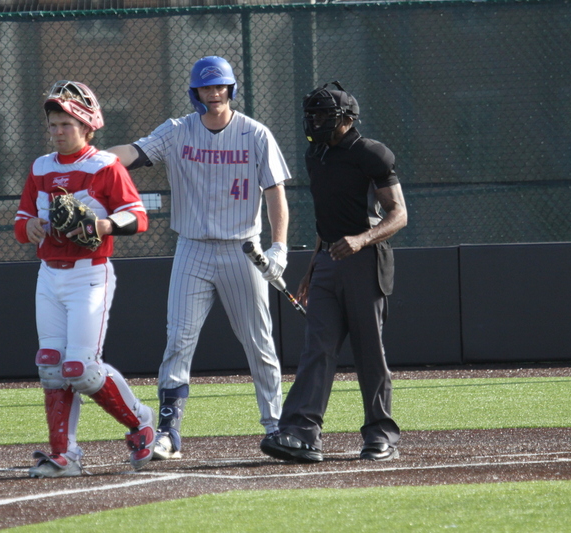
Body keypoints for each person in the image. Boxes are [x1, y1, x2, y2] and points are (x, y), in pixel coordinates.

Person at [107, 56, 291, 460]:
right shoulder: (177, 132)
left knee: (259, 343)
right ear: (196, 92)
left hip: (243, 248)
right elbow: (135, 153)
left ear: (231, 89)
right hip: (192, 247)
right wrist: (95, 158)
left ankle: (276, 425)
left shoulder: (256, 134)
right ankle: (169, 431)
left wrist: (279, 247)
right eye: (207, 88)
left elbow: (276, 193)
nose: (215, 93)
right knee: (179, 340)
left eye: (221, 86)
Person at [260, 81, 408, 463]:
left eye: (324, 114)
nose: (315, 121)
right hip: (327, 262)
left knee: (368, 352)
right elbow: (326, 221)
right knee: (317, 349)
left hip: (365, 262)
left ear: (347, 119)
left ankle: (381, 434)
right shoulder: (316, 155)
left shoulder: (371, 154)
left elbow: (399, 214)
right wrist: (312, 268)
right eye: (311, 114)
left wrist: (361, 240)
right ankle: (300, 433)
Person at [14, 80, 155, 477]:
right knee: (51, 365)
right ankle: (65, 454)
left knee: (81, 368)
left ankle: (140, 422)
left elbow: (137, 215)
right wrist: (32, 230)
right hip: (49, 275)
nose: (59, 131)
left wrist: (105, 224)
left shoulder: (104, 165)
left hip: (89, 275)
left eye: (67, 124)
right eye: (54, 124)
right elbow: (21, 221)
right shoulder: (41, 167)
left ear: (87, 126)